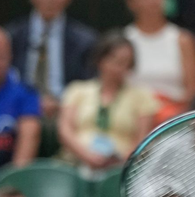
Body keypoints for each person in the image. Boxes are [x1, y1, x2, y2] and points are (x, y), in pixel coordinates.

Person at [57, 32, 157, 178]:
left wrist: (119, 162)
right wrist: (88, 156)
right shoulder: (77, 90)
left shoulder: (142, 97)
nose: (119, 68)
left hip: (120, 169)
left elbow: (142, 140)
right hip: (75, 163)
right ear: (100, 60)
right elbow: (64, 130)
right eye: (114, 61)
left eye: (126, 63)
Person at [6, 0, 97, 120]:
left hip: (67, 113)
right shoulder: (12, 36)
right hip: (18, 112)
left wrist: (63, 103)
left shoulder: (86, 41)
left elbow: (90, 87)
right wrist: (32, 102)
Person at [123, 0, 195, 125]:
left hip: (174, 122)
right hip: (132, 122)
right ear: (131, 0)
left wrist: (166, 108)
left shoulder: (183, 39)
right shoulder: (124, 40)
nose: (154, 0)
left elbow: (193, 92)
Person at [0, 25, 40, 175]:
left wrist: (13, 178)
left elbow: (30, 137)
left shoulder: (25, 93)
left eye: (2, 56)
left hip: (5, 174)